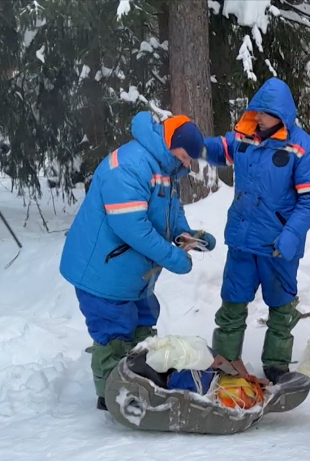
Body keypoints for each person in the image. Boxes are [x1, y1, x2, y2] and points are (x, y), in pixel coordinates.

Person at [59, 111, 217, 411]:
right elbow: (131, 226)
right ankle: (111, 396)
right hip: (103, 273)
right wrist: (172, 256)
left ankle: (140, 378)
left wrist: (187, 235)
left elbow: (168, 212)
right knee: (114, 331)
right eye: (185, 156)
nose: (187, 164)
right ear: (171, 144)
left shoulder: (164, 168)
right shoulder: (129, 166)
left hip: (133, 275)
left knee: (144, 321)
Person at [202, 78, 310, 383]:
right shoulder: (245, 137)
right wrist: (192, 142)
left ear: (281, 115)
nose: (257, 116)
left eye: (264, 112)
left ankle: (276, 365)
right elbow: (219, 149)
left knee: (281, 310)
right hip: (243, 241)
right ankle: (225, 361)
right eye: (255, 110)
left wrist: (290, 235)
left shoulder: (305, 149)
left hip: (278, 245)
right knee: (232, 304)